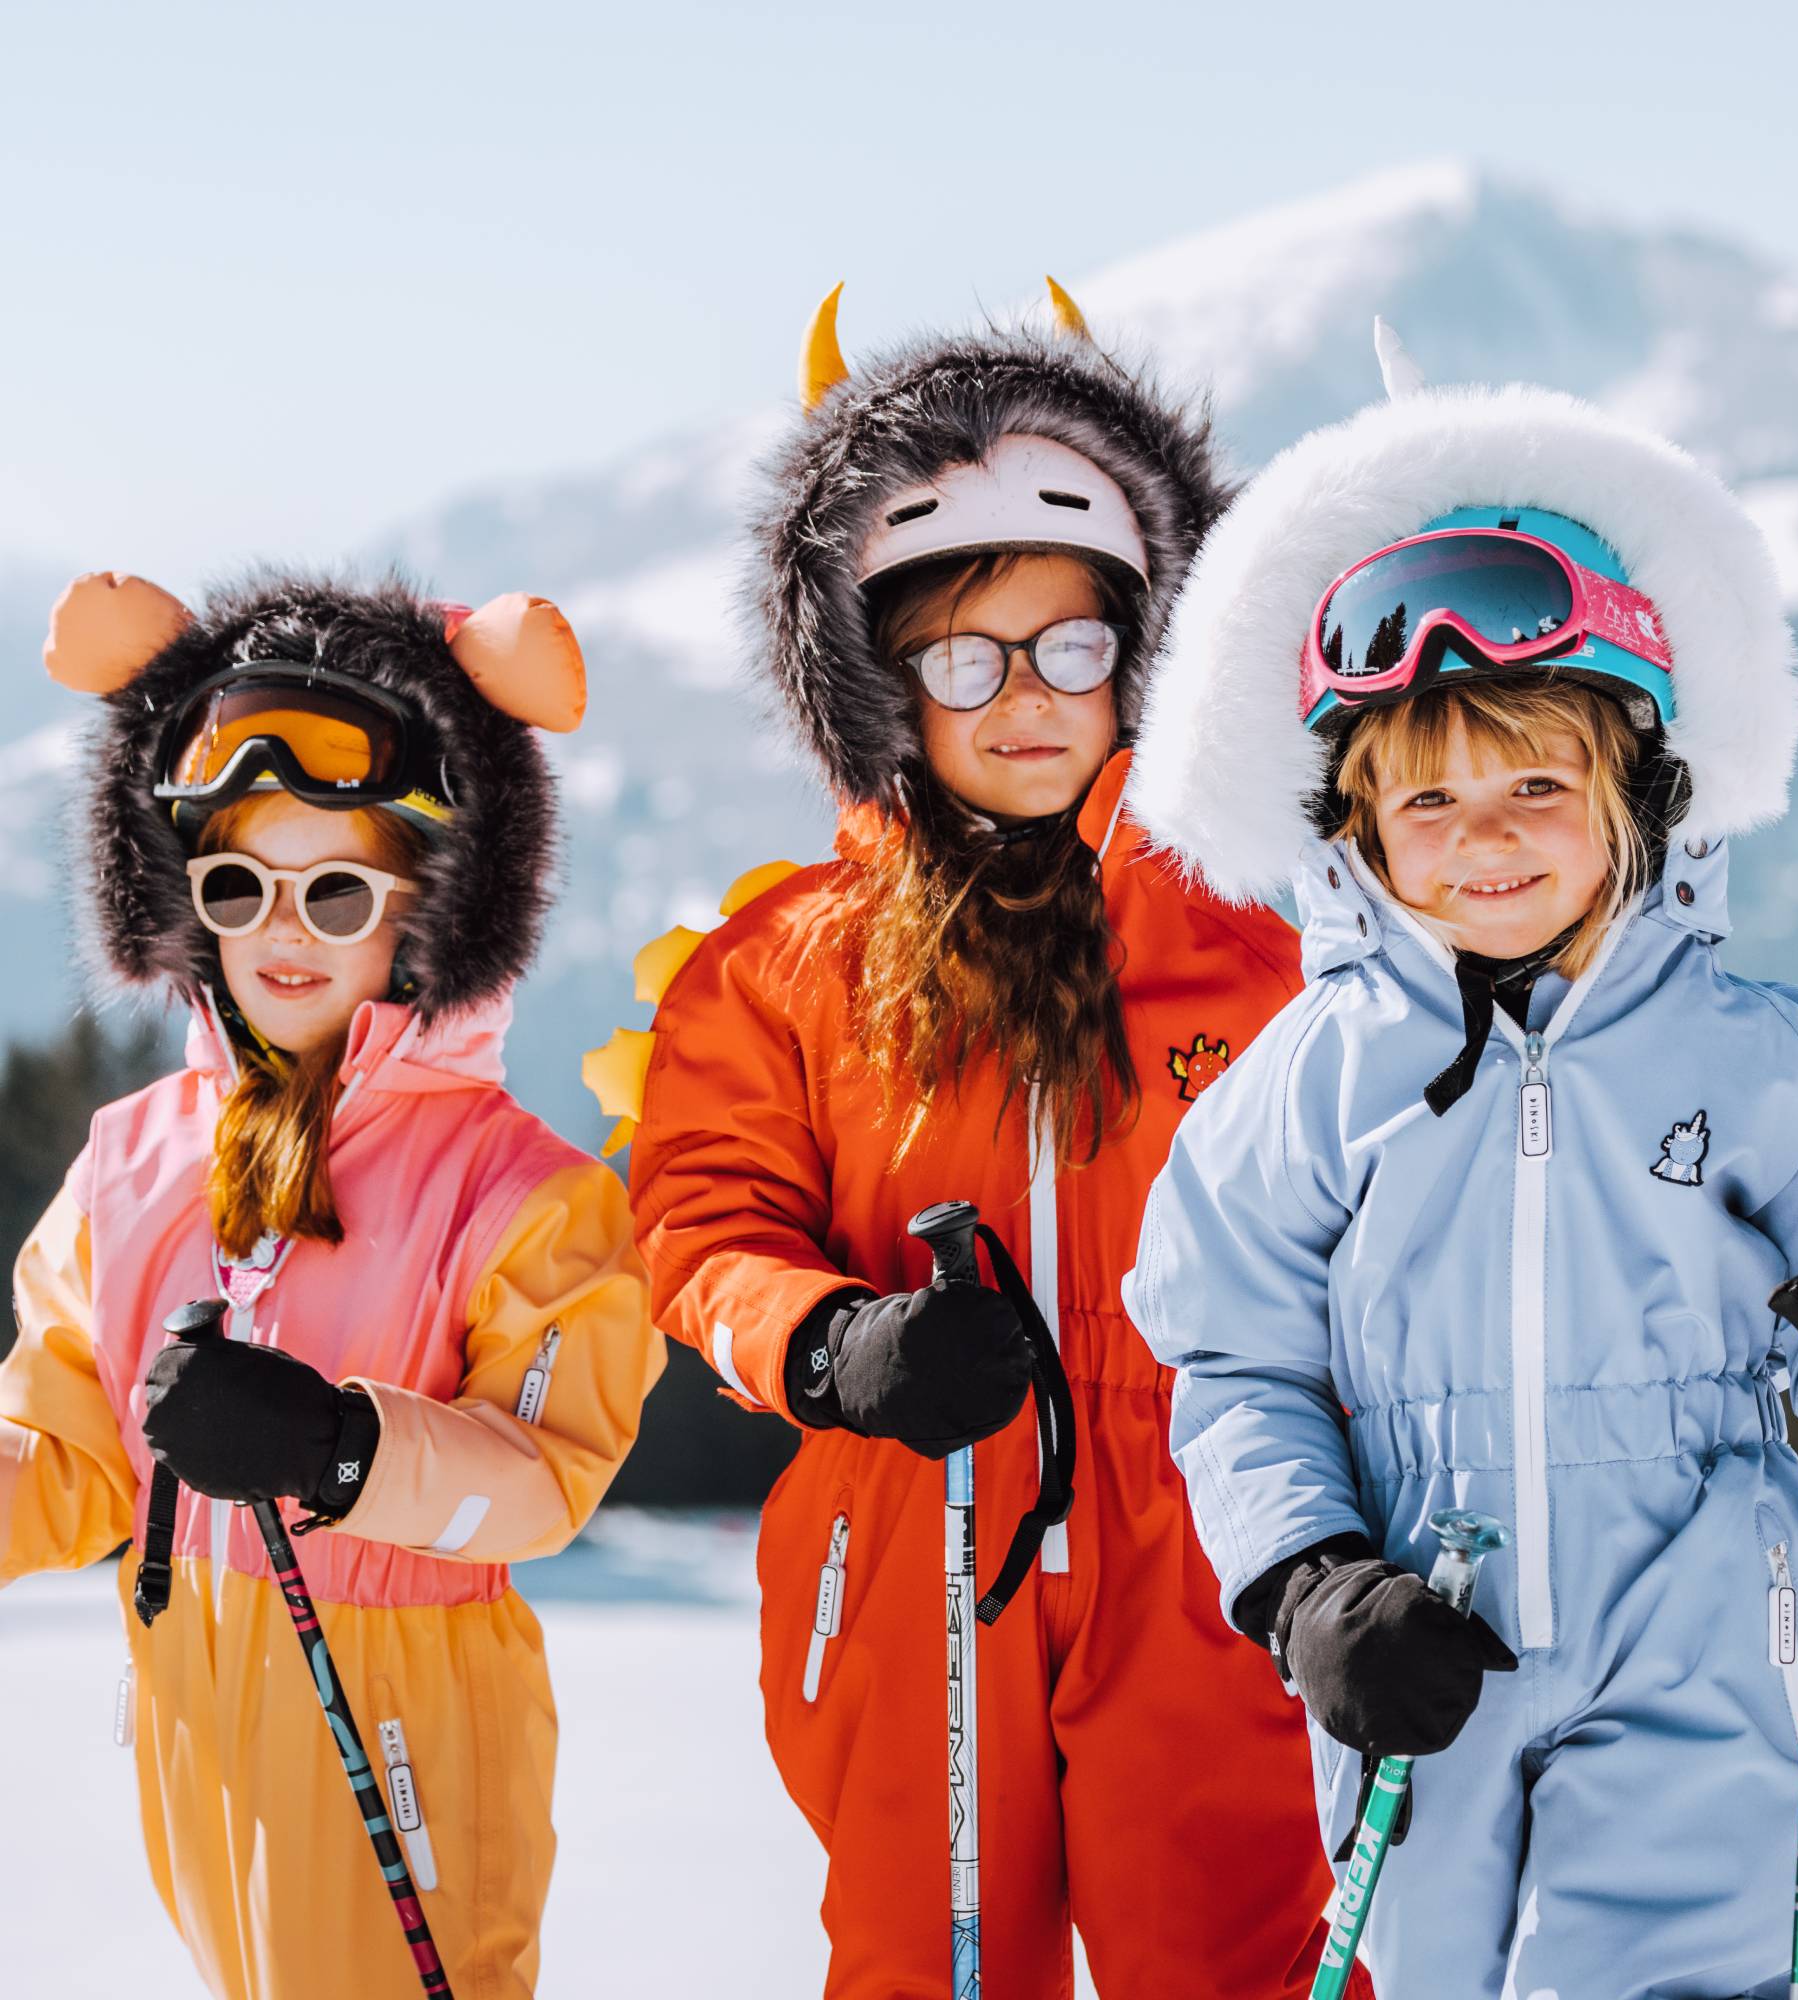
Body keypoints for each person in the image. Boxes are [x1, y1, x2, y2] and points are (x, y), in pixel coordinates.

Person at [1123, 334, 1798, 1997]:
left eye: (1539, 783)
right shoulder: (1304, 1088)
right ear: (1356, 835)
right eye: (1432, 803)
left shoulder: (1764, 1054)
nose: (1491, 836)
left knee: (1662, 1969)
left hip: (1697, 1601)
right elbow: (1233, 1361)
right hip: (1421, 1621)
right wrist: (1309, 1583)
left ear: (1641, 793)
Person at [623, 286, 1339, 1997]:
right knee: (929, 1962)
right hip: (915, 1537)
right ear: (878, 680)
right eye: (962, 654)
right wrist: (831, 1341)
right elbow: (698, 1233)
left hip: (1206, 1523)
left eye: (1072, 645)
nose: (1024, 698)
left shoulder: (1270, 935)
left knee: (1242, 1951)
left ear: (1150, 652)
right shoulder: (794, 964)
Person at [0, 571, 661, 2000]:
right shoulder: (134, 1164)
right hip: (198, 1713)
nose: (282, 930)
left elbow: (547, 1477)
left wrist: (339, 1448)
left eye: (337, 889)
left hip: (407, 1728)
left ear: (429, 907)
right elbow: (62, 1454)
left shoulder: (517, 1189)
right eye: (239, 885)